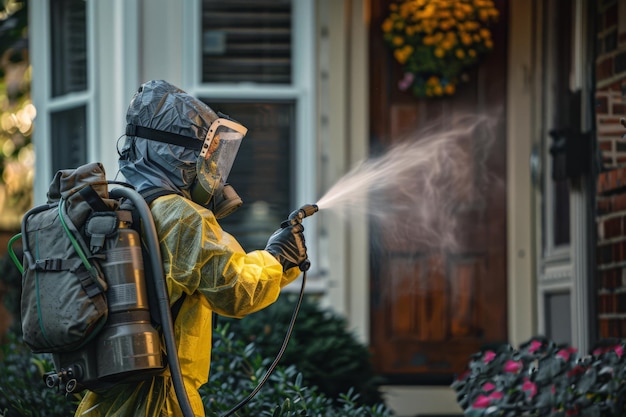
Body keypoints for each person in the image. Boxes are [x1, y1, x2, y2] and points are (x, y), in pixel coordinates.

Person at [74, 79, 308, 416]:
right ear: (176, 153)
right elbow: (237, 290)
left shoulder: (117, 205)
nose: (212, 170)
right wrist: (279, 258)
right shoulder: (180, 216)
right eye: (206, 157)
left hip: (103, 401)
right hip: (159, 399)